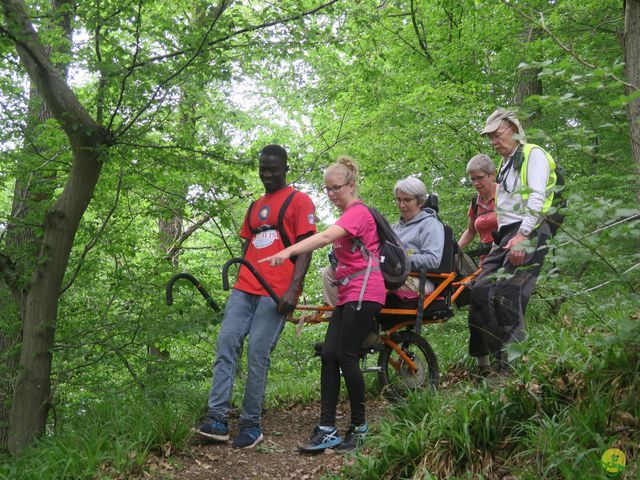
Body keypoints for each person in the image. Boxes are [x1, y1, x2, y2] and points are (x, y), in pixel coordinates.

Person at [260, 155, 385, 453]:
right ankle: (328, 428)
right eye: (327, 189)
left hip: (366, 292)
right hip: (349, 294)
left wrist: (287, 251)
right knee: (329, 354)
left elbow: (324, 238)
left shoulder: (358, 212)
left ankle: (360, 426)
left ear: (351, 185)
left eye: (336, 188)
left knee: (346, 355)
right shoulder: (346, 215)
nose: (330, 194)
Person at [196, 144, 316, 449]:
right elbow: (249, 248)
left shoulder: (299, 201)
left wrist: (293, 289)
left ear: (285, 168)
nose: (268, 174)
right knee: (226, 344)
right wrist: (239, 281)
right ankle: (217, 419)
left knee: (257, 353)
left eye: (274, 169)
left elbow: (307, 248)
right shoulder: (254, 206)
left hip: (276, 292)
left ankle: (251, 425)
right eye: (263, 169)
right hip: (244, 288)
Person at [468, 108, 560, 378]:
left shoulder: (533, 154)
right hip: (505, 235)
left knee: (508, 294)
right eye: (491, 138)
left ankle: (513, 366)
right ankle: (498, 359)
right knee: (480, 291)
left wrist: (523, 236)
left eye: (497, 134)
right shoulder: (506, 164)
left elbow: (536, 198)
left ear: (513, 128)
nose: (494, 142)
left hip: (528, 230)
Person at [322, 176, 444, 310]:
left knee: (368, 280)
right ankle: (337, 316)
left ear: (420, 201)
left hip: (417, 279)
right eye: (398, 200)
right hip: (388, 274)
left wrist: (398, 260)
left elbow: (433, 260)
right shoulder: (393, 228)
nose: (402, 205)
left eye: (407, 200)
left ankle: (363, 321)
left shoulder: (431, 224)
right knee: (330, 272)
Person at [457, 154, 498, 263]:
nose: (475, 183)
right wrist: (454, 252)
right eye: (472, 179)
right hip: (485, 259)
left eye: (479, 178)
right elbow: (471, 231)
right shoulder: (476, 202)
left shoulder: (504, 195)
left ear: (492, 175)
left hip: (506, 254)